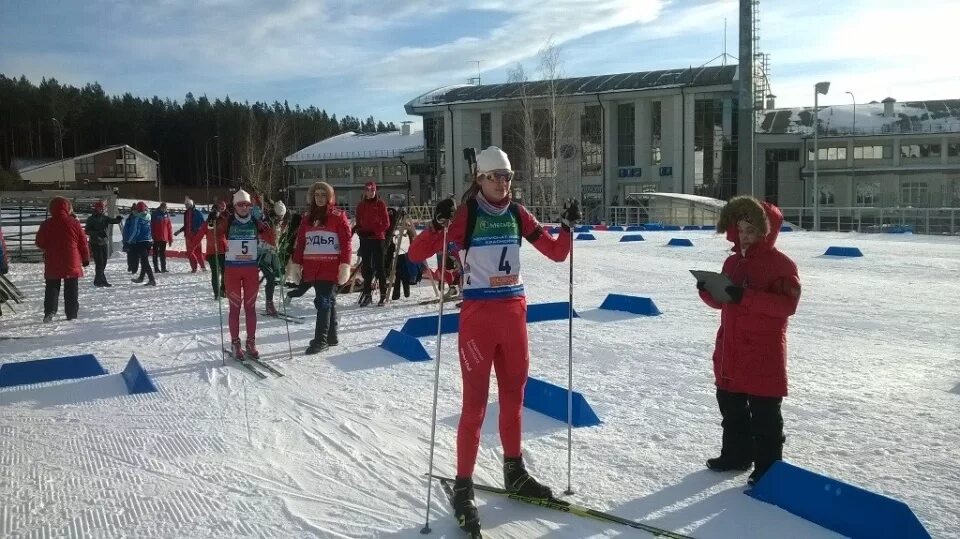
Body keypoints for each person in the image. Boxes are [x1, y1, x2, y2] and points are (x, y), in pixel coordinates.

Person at [407, 146, 582, 535]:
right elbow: (416, 254)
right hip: (478, 318)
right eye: (495, 177)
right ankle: (464, 485)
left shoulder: (518, 213)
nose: (503, 184)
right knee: (473, 407)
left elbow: (556, 253)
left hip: (514, 315)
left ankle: (514, 471)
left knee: (514, 400)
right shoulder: (466, 215)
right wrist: (437, 226)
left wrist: (568, 228)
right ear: (479, 179)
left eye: (508, 177)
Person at [697, 195, 801, 486]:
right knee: (731, 408)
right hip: (731, 348)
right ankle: (736, 455)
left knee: (765, 415)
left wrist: (745, 296)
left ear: (765, 232)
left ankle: (768, 468)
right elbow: (724, 303)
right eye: (740, 231)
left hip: (763, 352)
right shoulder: (732, 263)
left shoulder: (781, 265)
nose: (743, 237)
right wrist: (708, 290)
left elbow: (786, 306)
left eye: (750, 231)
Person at [210, 189, 275, 359]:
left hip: (250, 270)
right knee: (235, 307)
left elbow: (269, 234)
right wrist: (213, 219)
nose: (244, 207)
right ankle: (235, 342)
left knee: (250, 307)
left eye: (247, 204)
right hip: (232, 270)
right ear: (235, 205)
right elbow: (215, 232)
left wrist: (270, 223)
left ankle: (251, 342)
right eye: (240, 204)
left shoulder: (255, 221)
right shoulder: (229, 220)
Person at [291, 181, 352, 355]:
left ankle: (321, 340)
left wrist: (345, 265)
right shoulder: (307, 217)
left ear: (330, 197)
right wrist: (297, 264)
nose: (319, 198)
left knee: (323, 302)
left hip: (330, 267)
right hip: (312, 267)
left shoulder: (338, 216)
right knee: (328, 301)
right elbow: (301, 243)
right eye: (316, 195)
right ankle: (331, 336)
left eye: (323, 195)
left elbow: (346, 243)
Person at [35, 196, 90, 322]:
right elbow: (83, 242)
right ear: (68, 208)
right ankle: (71, 314)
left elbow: (40, 242)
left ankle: (50, 311)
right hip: (72, 260)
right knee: (71, 288)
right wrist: (85, 258)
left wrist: (49, 246)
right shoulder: (74, 223)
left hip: (53, 260)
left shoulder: (46, 224)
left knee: (52, 287)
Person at [354, 181, 390, 306]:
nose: (370, 193)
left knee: (379, 268)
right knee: (366, 268)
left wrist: (374, 232)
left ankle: (383, 295)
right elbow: (358, 221)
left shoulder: (380, 204)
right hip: (365, 240)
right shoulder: (361, 205)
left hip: (377, 239)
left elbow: (386, 223)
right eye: (368, 190)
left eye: (372, 190)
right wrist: (359, 231)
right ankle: (367, 294)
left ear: (375, 191)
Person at [84, 200, 123, 287]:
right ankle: (100, 281)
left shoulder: (104, 218)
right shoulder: (91, 219)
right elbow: (87, 230)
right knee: (99, 262)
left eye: (101, 208)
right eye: (98, 208)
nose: (100, 210)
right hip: (95, 242)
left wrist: (118, 219)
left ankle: (99, 280)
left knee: (104, 262)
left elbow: (113, 221)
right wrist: (96, 233)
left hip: (104, 242)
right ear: (95, 209)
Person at [258, 198, 286, 315]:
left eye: (282, 216)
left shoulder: (279, 223)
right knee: (270, 278)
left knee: (278, 273)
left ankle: (261, 286)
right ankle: (269, 304)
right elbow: (259, 229)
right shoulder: (267, 222)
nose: (280, 218)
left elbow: (277, 238)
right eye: (279, 216)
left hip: (272, 254)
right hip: (262, 254)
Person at [126, 201, 156, 286]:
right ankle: (141, 278)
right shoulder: (148, 216)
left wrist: (129, 241)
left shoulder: (137, 218)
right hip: (149, 241)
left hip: (140, 242)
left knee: (145, 262)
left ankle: (152, 279)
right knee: (144, 261)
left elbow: (135, 231)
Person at [175, 197, 207, 272]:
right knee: (191, 252)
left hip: (196, 235)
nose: (186, 206)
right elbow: (186, 225)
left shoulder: (198, 213)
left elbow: (203, 224)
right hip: (188, 235)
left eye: (187, 204)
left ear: (191, 204)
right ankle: (195, 268)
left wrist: (199, 232)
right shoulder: (186, 213)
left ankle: (202, 267)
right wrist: (179, 231)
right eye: (185, 204)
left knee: (196, 252)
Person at [205, 201, 228, 299]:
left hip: (222, 250)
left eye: (218, 210)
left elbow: (228, 232)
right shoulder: (209, 222)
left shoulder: (224, 220)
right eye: (215, 210)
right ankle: (216, 293)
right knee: (215, 273)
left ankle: (223, 289)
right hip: (212, 251)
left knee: (225, 271)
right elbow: (203, 233)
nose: (217, 212)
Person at [150, 202, 173, 273]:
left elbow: (169, 228)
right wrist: (151, 237)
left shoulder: (167, 215)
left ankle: (163, 268)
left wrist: (170, 239)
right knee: (155, 253)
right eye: (163, 208)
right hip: (156, 238)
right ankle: (156, 268)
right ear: (160, 207)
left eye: (165, 208)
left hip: (164, 238)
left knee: (163, 253)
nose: (164, 209)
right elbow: (151, 226)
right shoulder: (155, 214)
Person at [123, 202, 139, 273]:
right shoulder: (129, 219)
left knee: (136, 255)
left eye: (136, 210)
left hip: (137, 240)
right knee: (130, 254)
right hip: (129, 239)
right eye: (133, 210)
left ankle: (135, 268)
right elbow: (125, 230)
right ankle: (130, 265)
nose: (134, 212)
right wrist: (125, 240)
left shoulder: (139, 219)